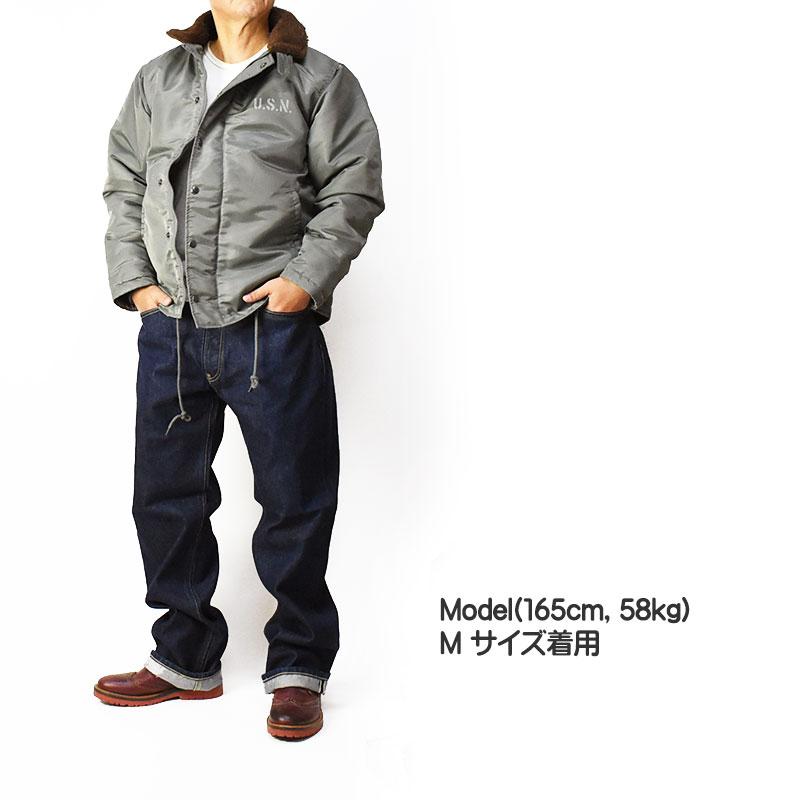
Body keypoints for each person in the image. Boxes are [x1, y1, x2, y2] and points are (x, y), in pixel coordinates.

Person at [94, 1, 384, 741]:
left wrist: (303, 283)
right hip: (172, 326)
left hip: (270, 330)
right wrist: (137, 282)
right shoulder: (158, 79)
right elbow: (125, 182)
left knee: (295, 498)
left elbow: (352, 189)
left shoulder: (318, 81)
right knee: (165, 498)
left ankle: (298, 669)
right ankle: (185, 657)